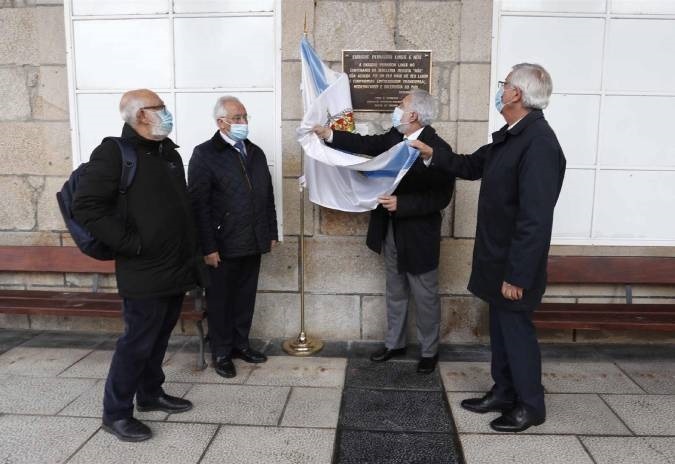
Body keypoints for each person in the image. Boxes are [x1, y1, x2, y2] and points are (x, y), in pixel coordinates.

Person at [413, 63, 566, 432]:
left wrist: (518, 274)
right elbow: (469, 165)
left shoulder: (539, 144)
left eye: (505, 84)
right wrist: (430, 152)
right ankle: (503, 391)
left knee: (517, 331)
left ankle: (531, 405)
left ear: (517, 94)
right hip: (497, 256)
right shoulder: (511, 136)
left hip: (514, 264)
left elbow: (535, 220)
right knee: (500, 328)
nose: (500, 90)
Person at [72, 89, 206, 442]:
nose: (166, 112)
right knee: (137, 342)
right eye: (159, 108)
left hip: (176, 266)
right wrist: (131, 243)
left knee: (159, 336)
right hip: (143, 268)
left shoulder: (168, 153)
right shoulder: (114, 153)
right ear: (140, 115)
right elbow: (86, 206)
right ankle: (115, 414)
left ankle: (150, 394)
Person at [314, 89, 454, 374]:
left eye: (400, 105)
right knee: (395, 289)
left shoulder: (438, 148)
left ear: (413, 114)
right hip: (390, 230)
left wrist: (402, 203)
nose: (396, 109)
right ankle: (395, 343)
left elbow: (440, 197)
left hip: (418, 235)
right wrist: (329, 135)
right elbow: (366, 143)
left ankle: (429, 351)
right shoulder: (395, 138)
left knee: (425, 294)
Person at [188, 96, 278, 379]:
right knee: (221, 301)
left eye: (245, 117)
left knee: (245, 298)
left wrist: (271, 232)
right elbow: (198, 206)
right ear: (221, 122)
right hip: (222, 245)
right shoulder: (204, 154)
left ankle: (241, 345)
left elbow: (267, 197)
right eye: (237, 118)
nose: (243, 123)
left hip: (252, 240)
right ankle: (221, 352)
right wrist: (208, 246)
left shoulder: (255, 153)